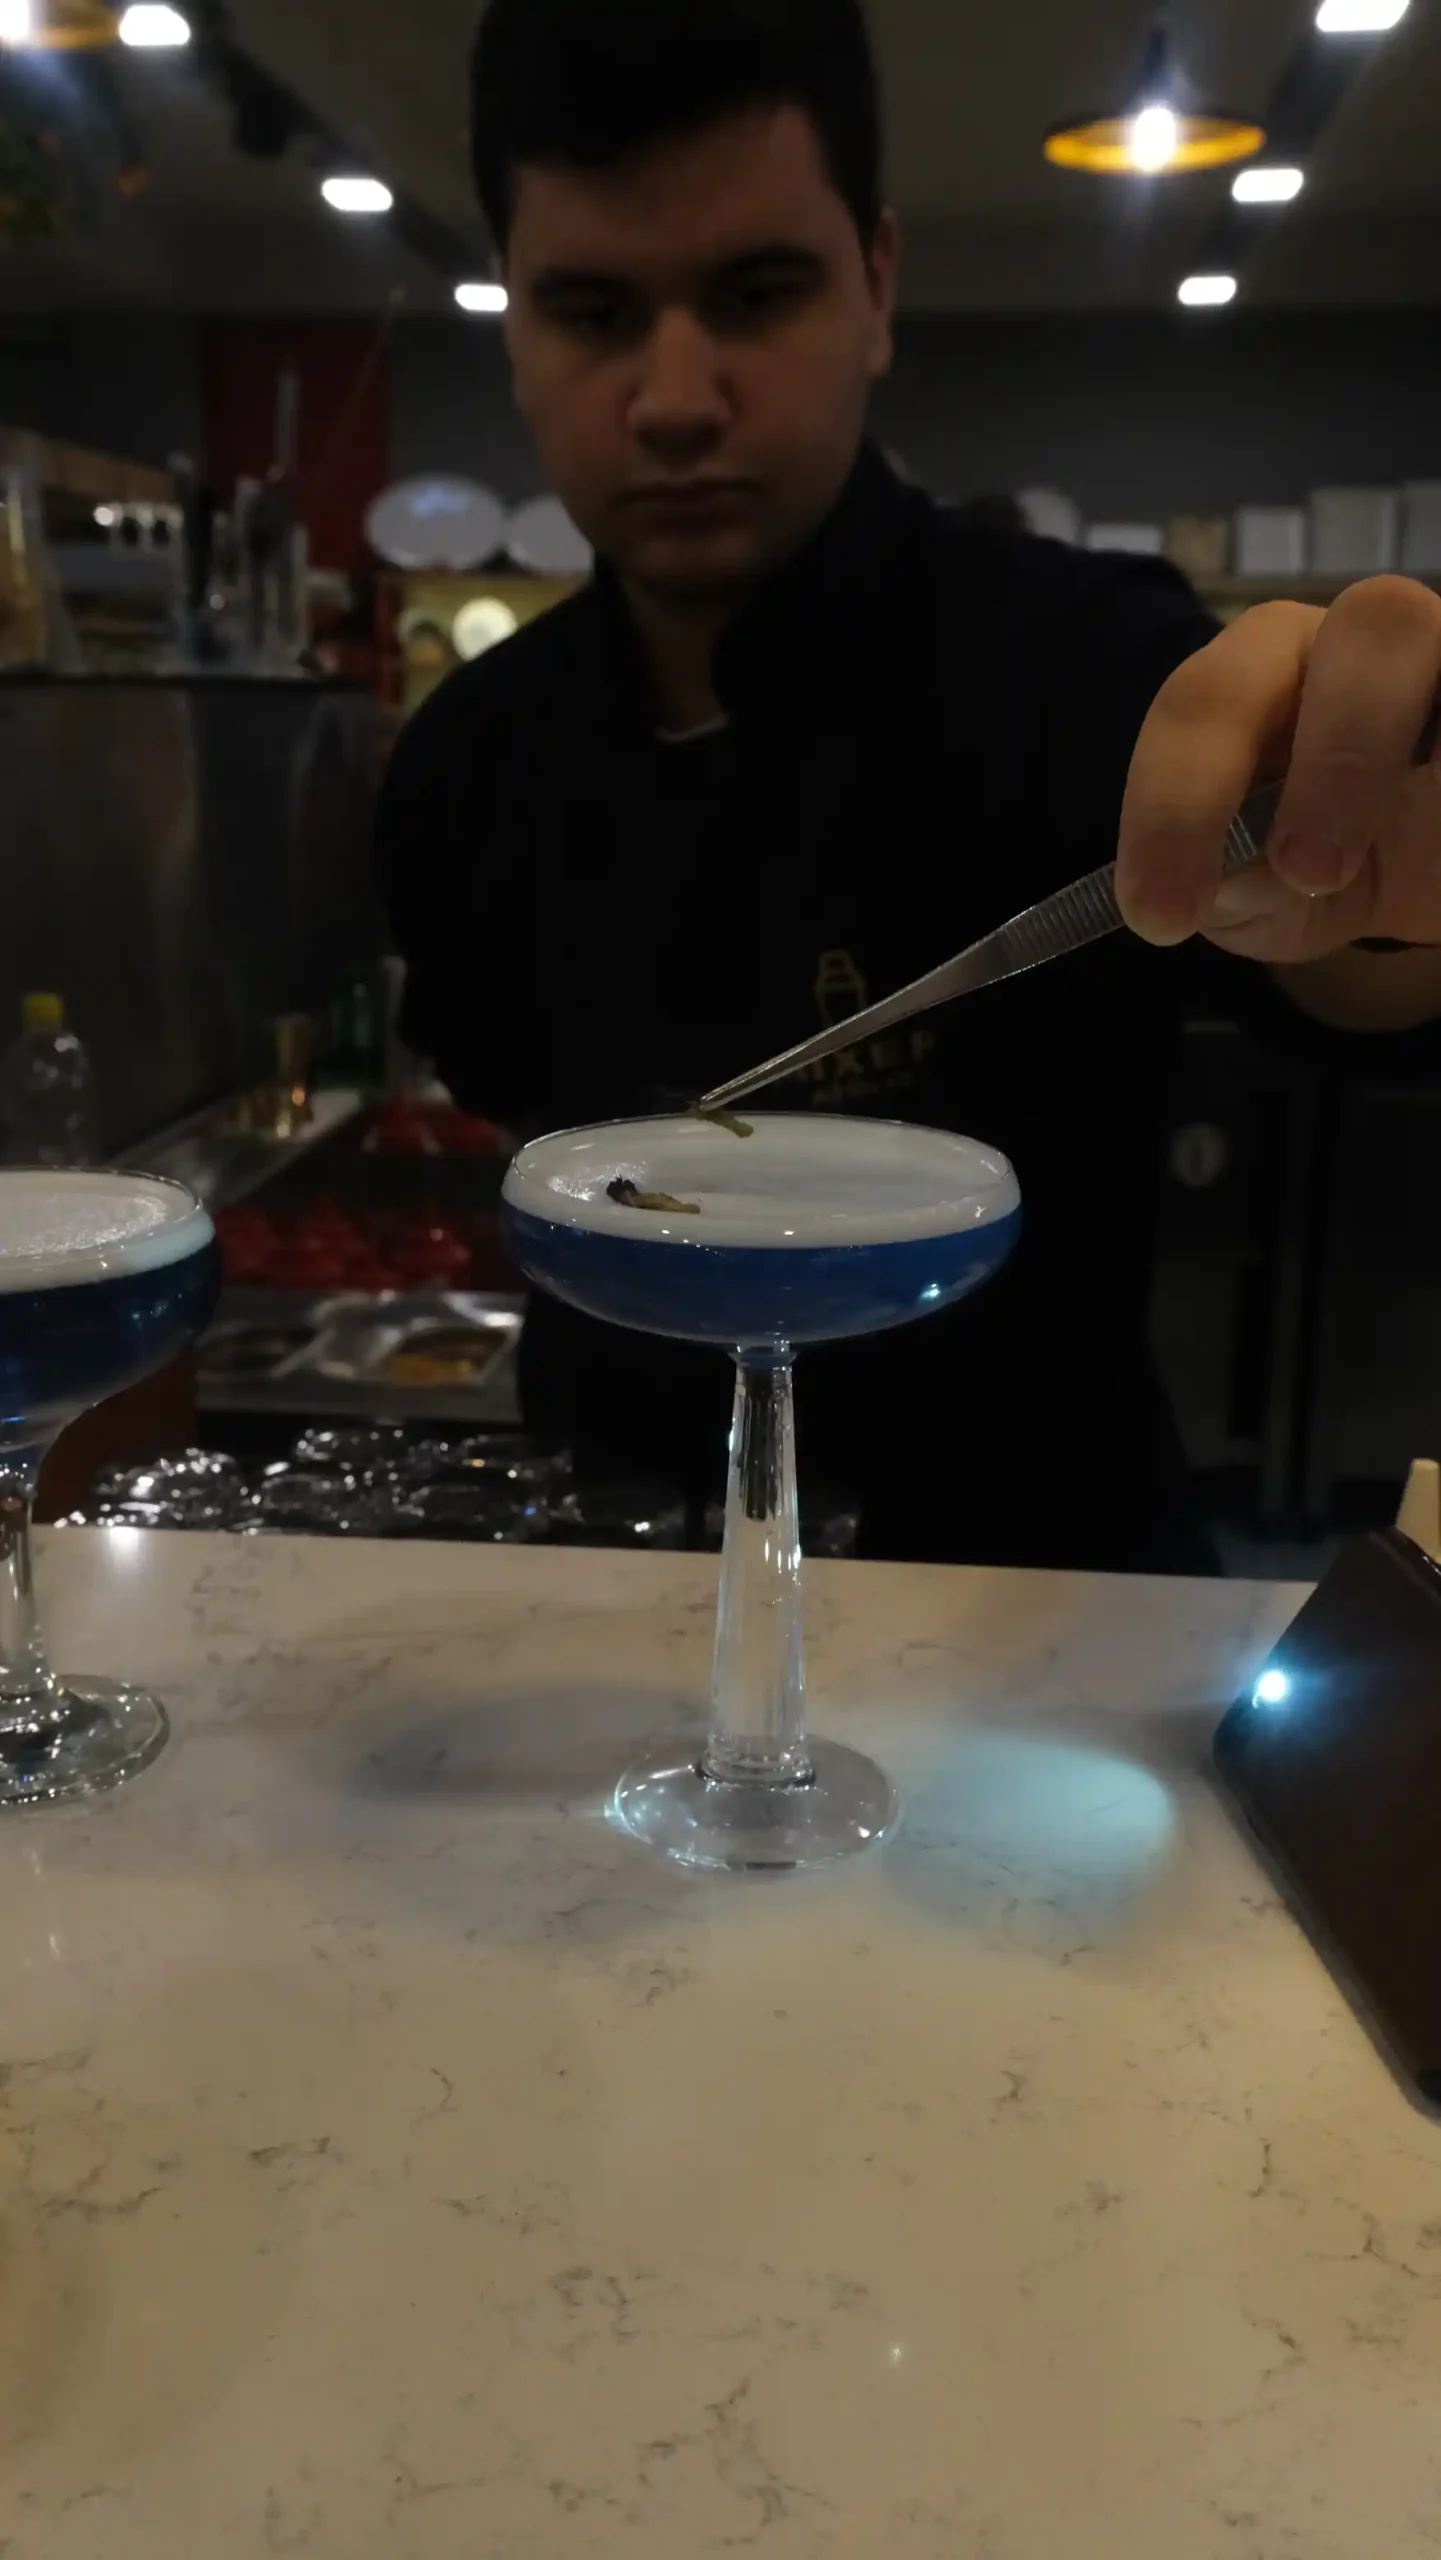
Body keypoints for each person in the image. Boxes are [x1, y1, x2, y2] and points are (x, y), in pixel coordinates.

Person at [379, 0, 1441, 1573]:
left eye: (757, 294)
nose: (676, 398)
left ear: (875, 283)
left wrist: (1387, 857)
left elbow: (1350, 976)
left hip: (1045, 1602)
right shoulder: (463, 758)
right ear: (514, 324)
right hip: (605, 1599)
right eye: (592, 310)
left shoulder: (1081, 657)